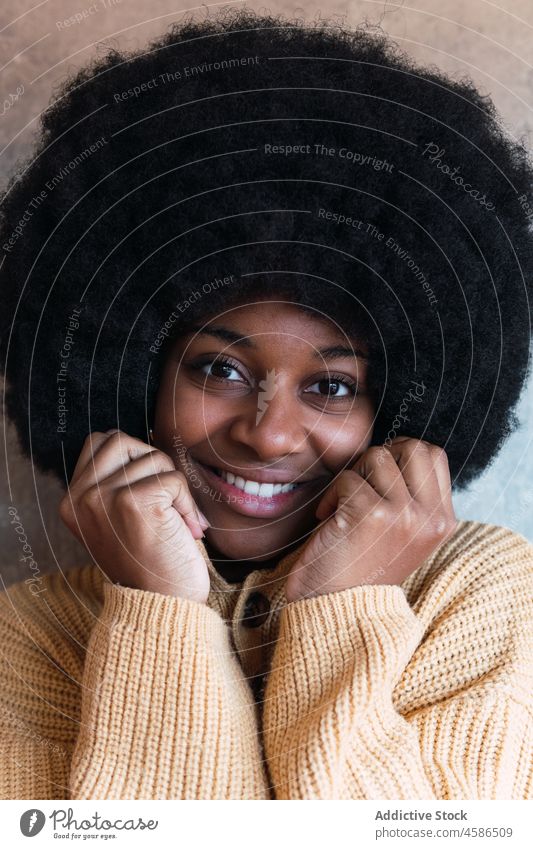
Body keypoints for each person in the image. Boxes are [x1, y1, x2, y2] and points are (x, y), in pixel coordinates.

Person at [0, 8, 532, 800]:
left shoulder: (482, 592)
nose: (269, 434)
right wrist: (158, 613)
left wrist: (342, 605)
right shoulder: (33, 634)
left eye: (331, 386)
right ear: (133, 370)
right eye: (219, 368)